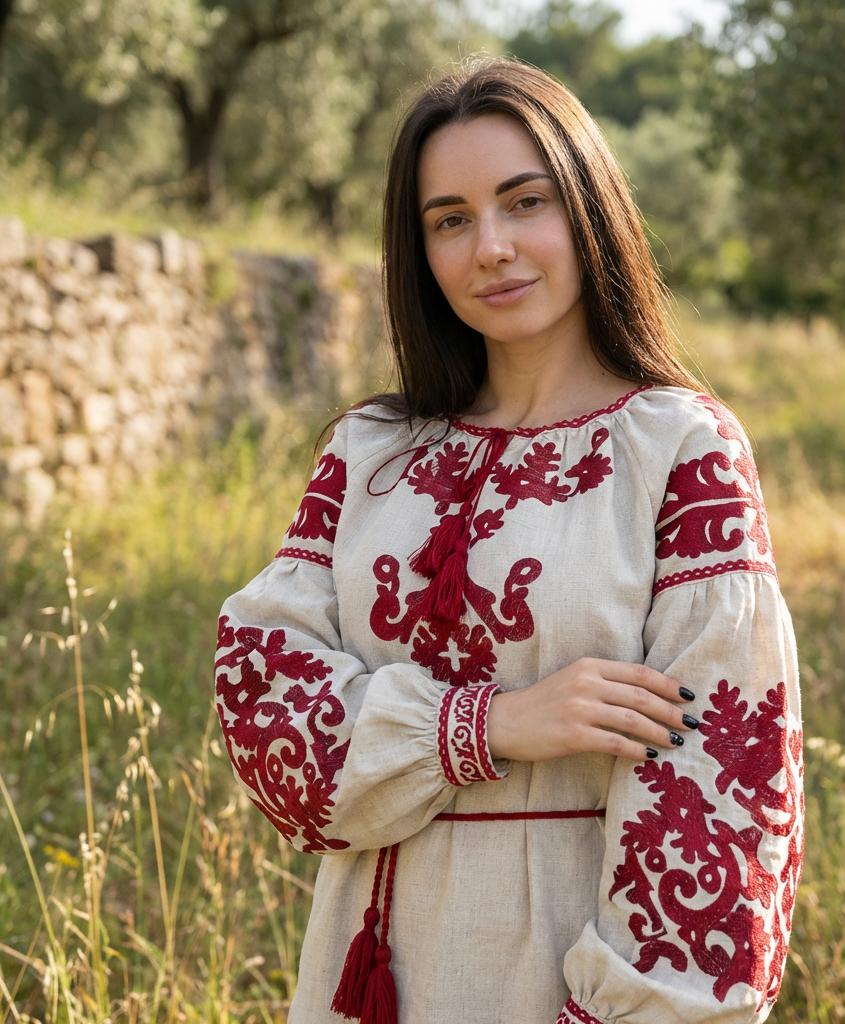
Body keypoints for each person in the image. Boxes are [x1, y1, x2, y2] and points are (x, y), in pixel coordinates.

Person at [213, 53, 805, 1024]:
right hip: (364, 957)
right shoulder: (370, 450)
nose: (490, 247)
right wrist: (486, 727)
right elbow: (263, 704)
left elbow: (723, 802)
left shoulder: (677, 448)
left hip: (564, 967)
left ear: (589, 209)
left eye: (525, 202)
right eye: (449, 220)